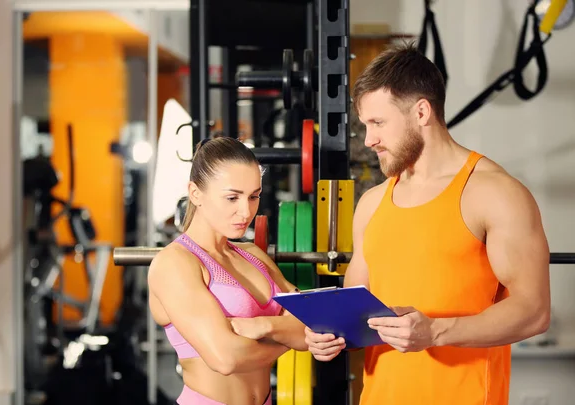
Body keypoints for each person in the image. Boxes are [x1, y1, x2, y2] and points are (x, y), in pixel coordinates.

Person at [304, 41, 551, 405]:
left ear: (421, 112)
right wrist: (326, 336)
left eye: (378, 123)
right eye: (365, 125)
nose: (369, 139)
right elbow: (355, 319)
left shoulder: (494, 193)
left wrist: (435, 331)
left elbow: (534, 311)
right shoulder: (372, 204)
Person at [148, 137, 307, 405]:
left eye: (254, 196)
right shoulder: (175, 262)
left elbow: (310, 321)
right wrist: (289, 338)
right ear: (195, 193)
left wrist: (262, 325)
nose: (245, 211)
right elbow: (226, 358)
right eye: (232, 197)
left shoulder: (254, 255)